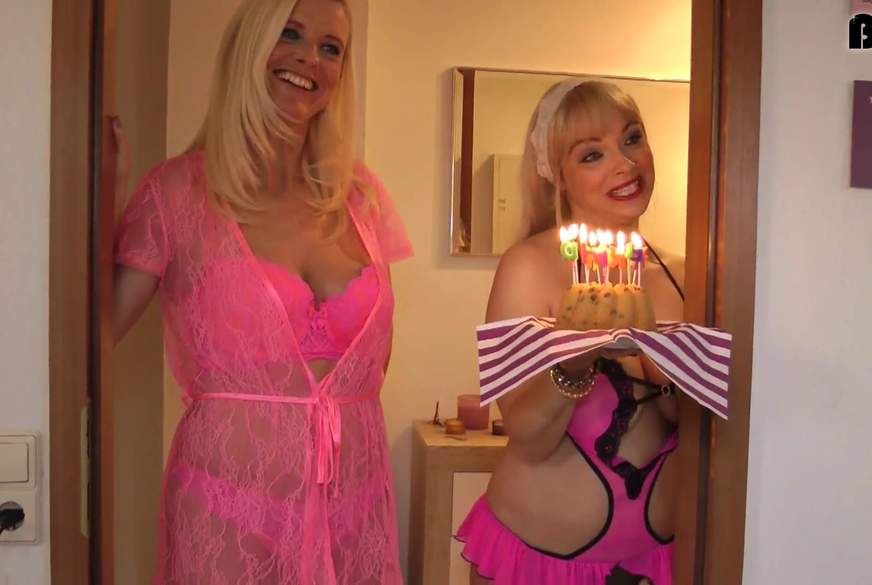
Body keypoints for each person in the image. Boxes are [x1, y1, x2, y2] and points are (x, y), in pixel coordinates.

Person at [112, 0, 411, 582]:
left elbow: (374, 364)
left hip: (353, 511)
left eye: (331, 48)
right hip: (227, 512)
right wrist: (105, 192)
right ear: (249, 45)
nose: (310, 59)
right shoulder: (175, 192)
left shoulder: (361, 196)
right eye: (290, 34)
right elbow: (88, 344)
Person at [456, 79, 685, 585]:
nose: (625, 164)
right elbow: (529, 438)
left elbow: (693, 426)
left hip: (656, 565)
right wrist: (575, 357)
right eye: (592, 155)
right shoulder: (528, 267)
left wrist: (661, 359)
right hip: (537, 565)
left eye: (632, 138)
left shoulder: (683, 274)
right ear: (557, 176)